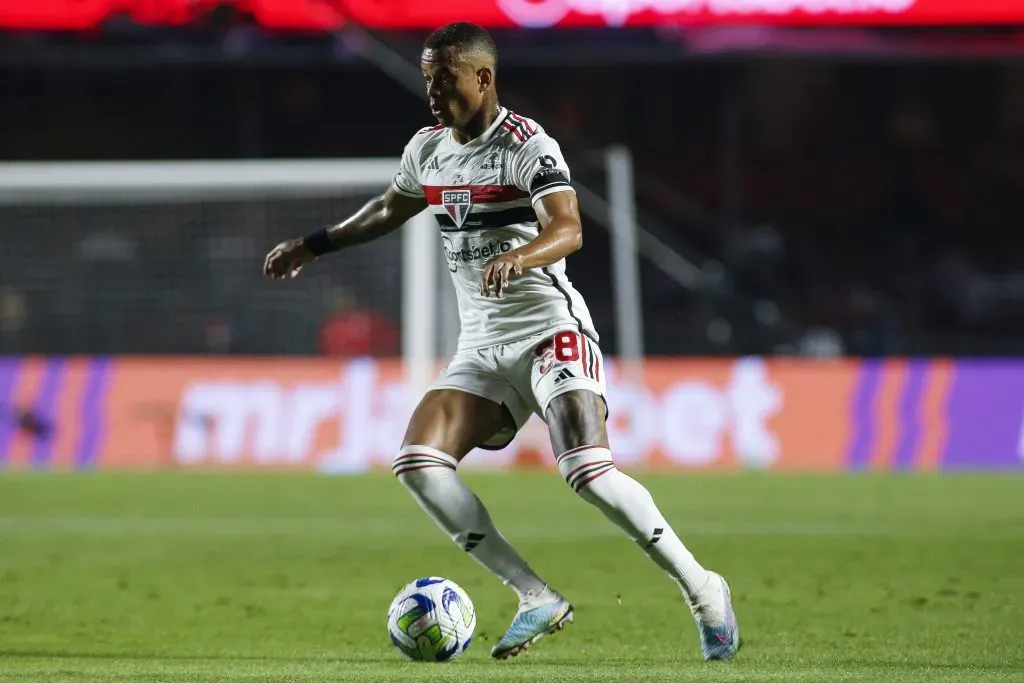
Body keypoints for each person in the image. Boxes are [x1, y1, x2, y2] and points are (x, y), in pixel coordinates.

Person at [263, 22, 739, 662]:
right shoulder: (427, 149)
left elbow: (568, 228)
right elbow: (387, 208)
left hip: (550, 329)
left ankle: (703, 589)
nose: (431, 89)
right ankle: (535, 596)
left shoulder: (526, 145)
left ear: (482, 77)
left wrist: (524, 256)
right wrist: (312, 244)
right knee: (418, 464)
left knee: (587, 472)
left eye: (443, 77)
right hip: (481, 347)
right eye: (427, 76)